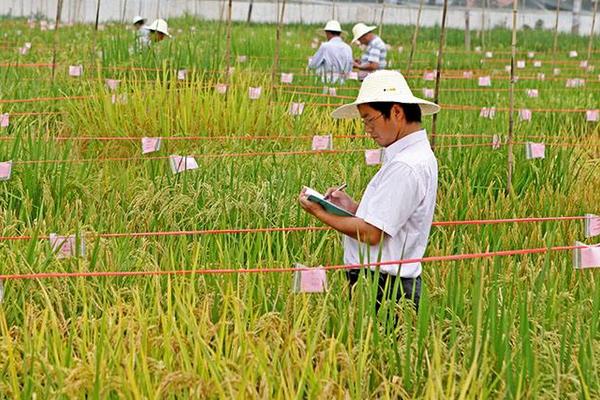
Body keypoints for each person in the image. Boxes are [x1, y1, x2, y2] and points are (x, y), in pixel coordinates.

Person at [298, 70, 440, 313]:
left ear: (396, 112)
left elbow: (373, 233)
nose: (367, 129)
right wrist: (351, 207)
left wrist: (319, 212)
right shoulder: (409, 156)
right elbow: (390, 219)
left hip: (385, 288)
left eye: (369, 119)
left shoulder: (405, 166)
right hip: (381, 282)